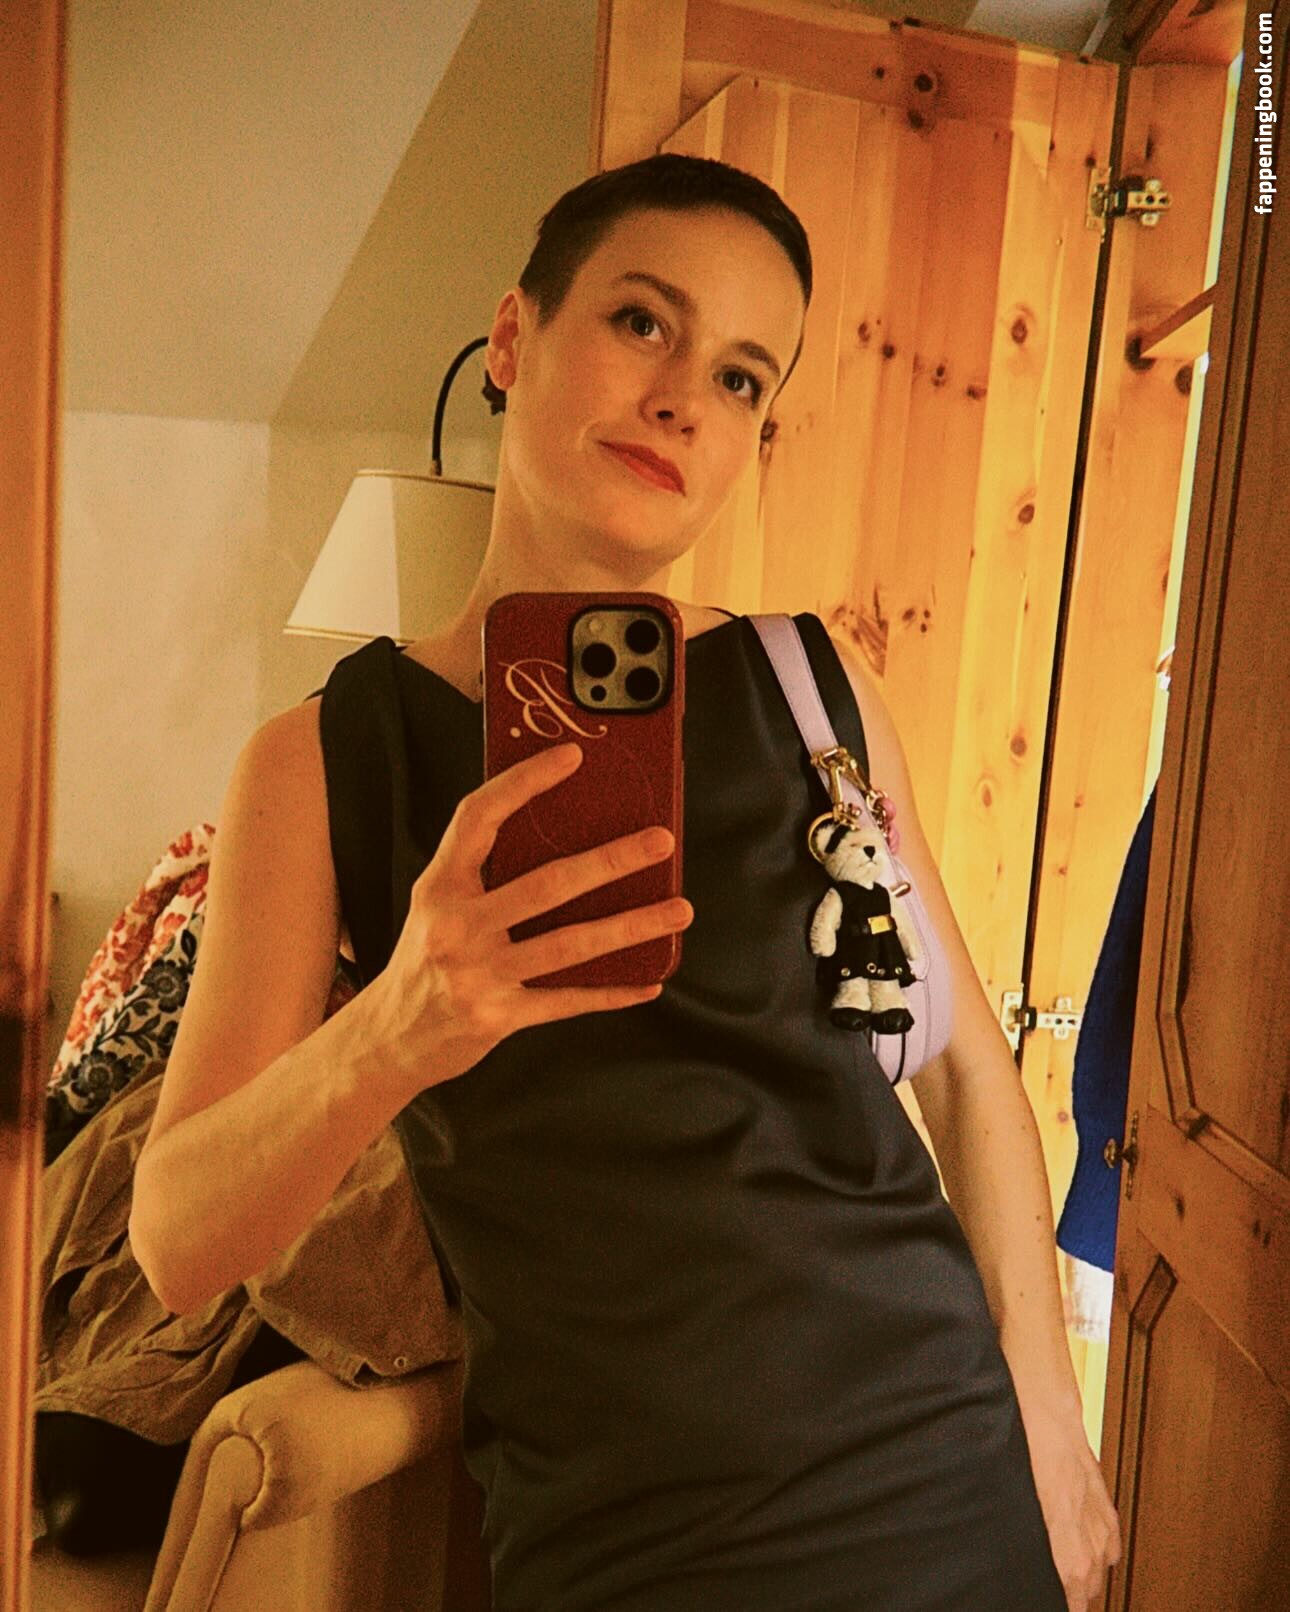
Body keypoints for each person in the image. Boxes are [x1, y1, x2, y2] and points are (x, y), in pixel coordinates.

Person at [130, 153, 1120, 1610]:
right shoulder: (328, 758)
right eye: (643, 322)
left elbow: (968, 1075)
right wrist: (394, 1027)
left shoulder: (807, 685)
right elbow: (175, 1243)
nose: (682, 400)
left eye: (739, 378)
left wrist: (1052, 1433)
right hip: (618, 1541)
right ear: (514, 338)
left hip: (934, 1477)